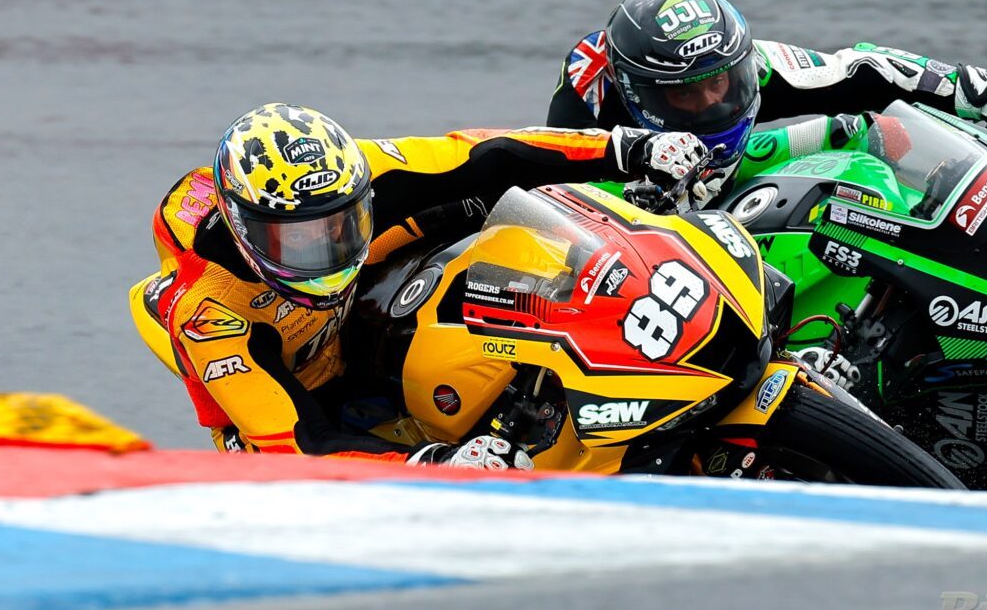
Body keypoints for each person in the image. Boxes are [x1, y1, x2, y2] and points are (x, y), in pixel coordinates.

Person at [139, 102, 706, 467]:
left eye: (340, 225)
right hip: (297, 400)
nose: (328, 252)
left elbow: (483, 153)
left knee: (474, 203)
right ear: (245, 231)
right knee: (298, 485)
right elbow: (297, 446)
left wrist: (623, 148)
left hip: (354, 310)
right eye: (301, 241)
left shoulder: (360, 167)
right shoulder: (211, 310)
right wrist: (433, 465)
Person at [545, 0, 987, 197]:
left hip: (729, 178)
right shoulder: (588, 95)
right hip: (637, 214)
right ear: (638, 92)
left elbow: (861, 68)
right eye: (683, 94)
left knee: (876, 135)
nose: (711, 103)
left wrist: (975, 89)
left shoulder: (753, 62)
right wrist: (630, 193)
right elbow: (553, 198)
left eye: (719, 82)